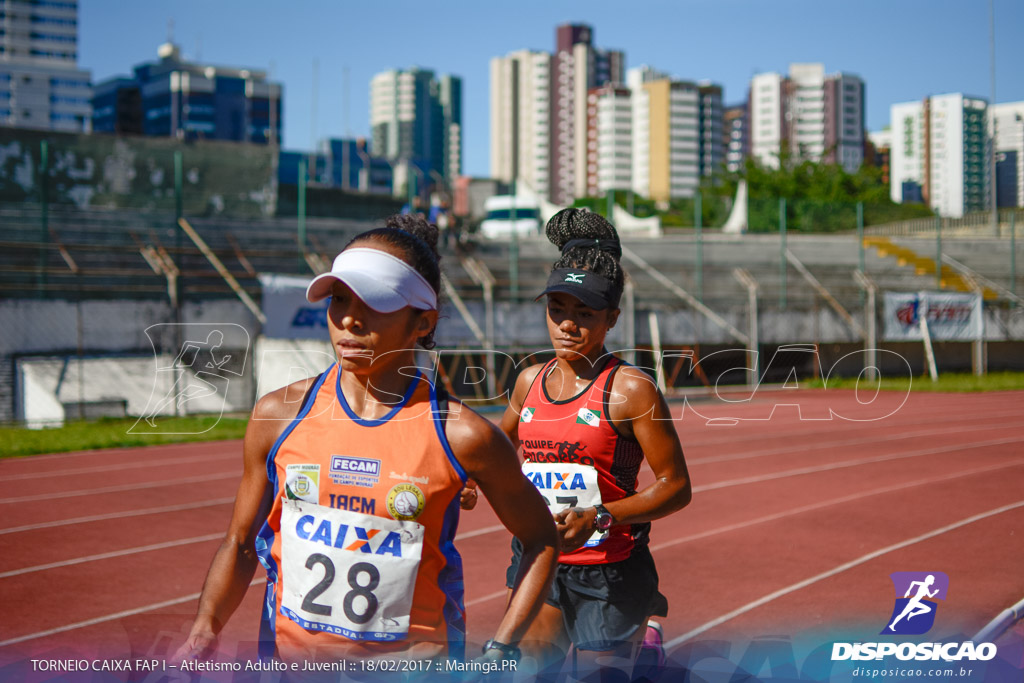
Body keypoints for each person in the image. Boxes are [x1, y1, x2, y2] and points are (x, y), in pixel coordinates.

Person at [175, 214, 558, 666]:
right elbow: (240, 542)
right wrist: (206, 625)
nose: (350, 319)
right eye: (339, 299)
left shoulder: (462, 434)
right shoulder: (277, 415)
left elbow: (541, 538)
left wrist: (502, 644)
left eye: (374, 303)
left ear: (423, 321)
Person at [498, 208, 692, 681]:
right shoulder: (529, 382)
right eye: (557, 309)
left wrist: (602, 515)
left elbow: (676, 486)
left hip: (610, 571)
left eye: (584, 313)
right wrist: (466, 478)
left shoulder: (630, 390)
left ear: (612, 319)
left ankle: (644, 642)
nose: (567, 324)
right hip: (540, 558)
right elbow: (497, 449)